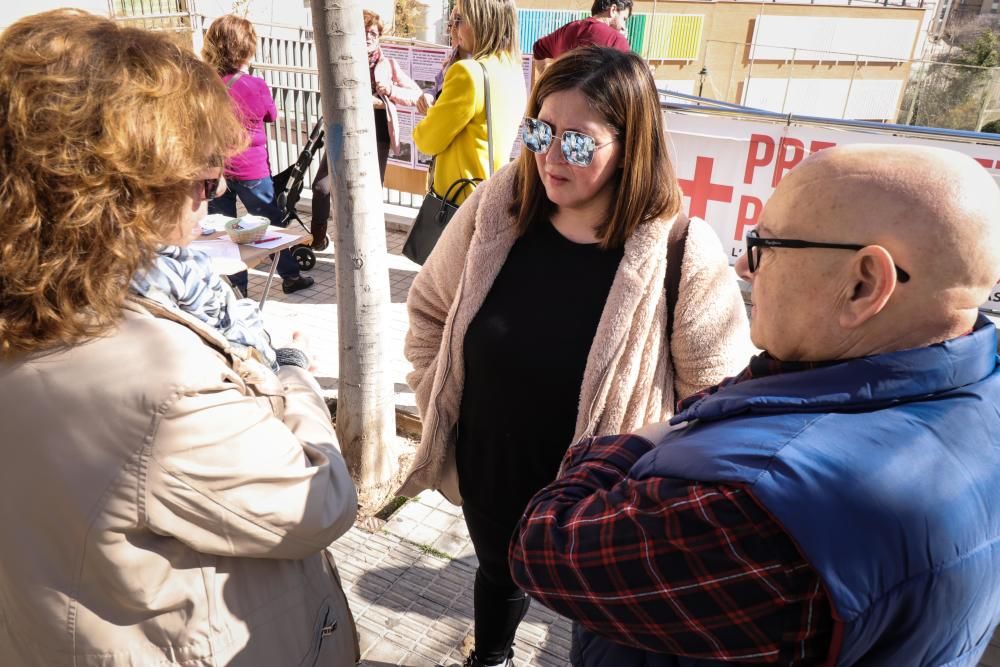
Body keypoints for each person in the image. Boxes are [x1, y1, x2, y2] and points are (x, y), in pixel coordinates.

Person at [510, 143, 1000, 666]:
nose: (745, 266)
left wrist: (642, 439)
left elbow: (543, 547)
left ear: (863, 285)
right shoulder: (974, 392)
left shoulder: (764, 511)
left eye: (765, 244)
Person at [0, 10, 360, 666]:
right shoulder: (161, 380)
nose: (214, 189)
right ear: (106, 191)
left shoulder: (33, 302)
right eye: (195, 174)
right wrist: (288, 369)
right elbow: (321, 499)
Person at [400, 47, 751, 667]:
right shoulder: (496, 208)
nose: (550, 155)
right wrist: (440, 396)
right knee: (497, 573)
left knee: (598, 630)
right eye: (539, 129)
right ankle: (492, 655)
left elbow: (718, 401)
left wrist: (651, 489)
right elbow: (429, 309)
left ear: (631, 146)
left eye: (578, 142)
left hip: (602, 506)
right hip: (489, 469)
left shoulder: (680, 251)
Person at [203, 14, 315, 296]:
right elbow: (271, 115)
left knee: (223, 232)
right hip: (251, 170)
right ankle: (290, 276)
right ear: (246, 48)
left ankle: (237, 288)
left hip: (215, 168)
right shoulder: (255, 85)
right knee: (270, 226)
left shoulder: (204, 84)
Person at [309, 9, 422, 250]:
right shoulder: (342, 60)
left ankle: (367, 244)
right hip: (341, 130)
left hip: (377, 134)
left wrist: (387, 95)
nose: (369, 36)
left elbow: (416, 95)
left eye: (374, 32)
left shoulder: (388, 65)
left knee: (369, 194)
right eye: (365, 31)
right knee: (321, 186)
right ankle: (317, 238)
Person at [412, 0, 527, 206]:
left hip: (459, 201)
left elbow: (426, 140)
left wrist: (431, 113)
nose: (453, 29)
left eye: (458, 19)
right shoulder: (513, 69)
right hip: (491, 194)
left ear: (481, 20)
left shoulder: (468, 72)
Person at [531, 0, 632, 75]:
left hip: (560, 101)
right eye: (624, 19)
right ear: (613, 10)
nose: (624, 26)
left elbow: (538, 49)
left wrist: (544, 79)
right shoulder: (617, 40)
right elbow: (630, 77)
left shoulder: (568, 29)